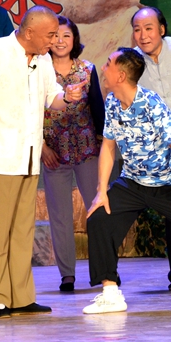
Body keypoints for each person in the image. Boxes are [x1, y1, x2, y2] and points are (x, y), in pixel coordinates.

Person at [84, 48, 171, 314]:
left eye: (108, 64)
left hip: (167, 184)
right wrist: (101, 190)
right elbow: (108, 147)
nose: (103, 68)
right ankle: (111, 293)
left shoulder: (151, 103)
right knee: (99, 218)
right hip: (132, 182)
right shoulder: (112, 101)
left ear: (121, 75)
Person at [0, 6, 83, 318]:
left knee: (21, 230)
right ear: (29, 32)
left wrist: (68, 97)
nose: (54, 41)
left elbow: (52, 98)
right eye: (49, 35)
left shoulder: (42, 61)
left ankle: (21, 296)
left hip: (27, 157)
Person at [41, 16, 104, 292]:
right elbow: (29, 111)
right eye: (55, 35)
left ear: (74, 40)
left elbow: (98, 109)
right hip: (53, 153)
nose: (60, 41)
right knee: (60, 216)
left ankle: (103, 270)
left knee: (97, 210)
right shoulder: (39, 71)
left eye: (66, 36)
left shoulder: (88, 69)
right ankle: (67, 274)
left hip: (87, 150)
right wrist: (42, 148)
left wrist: (103, 143)